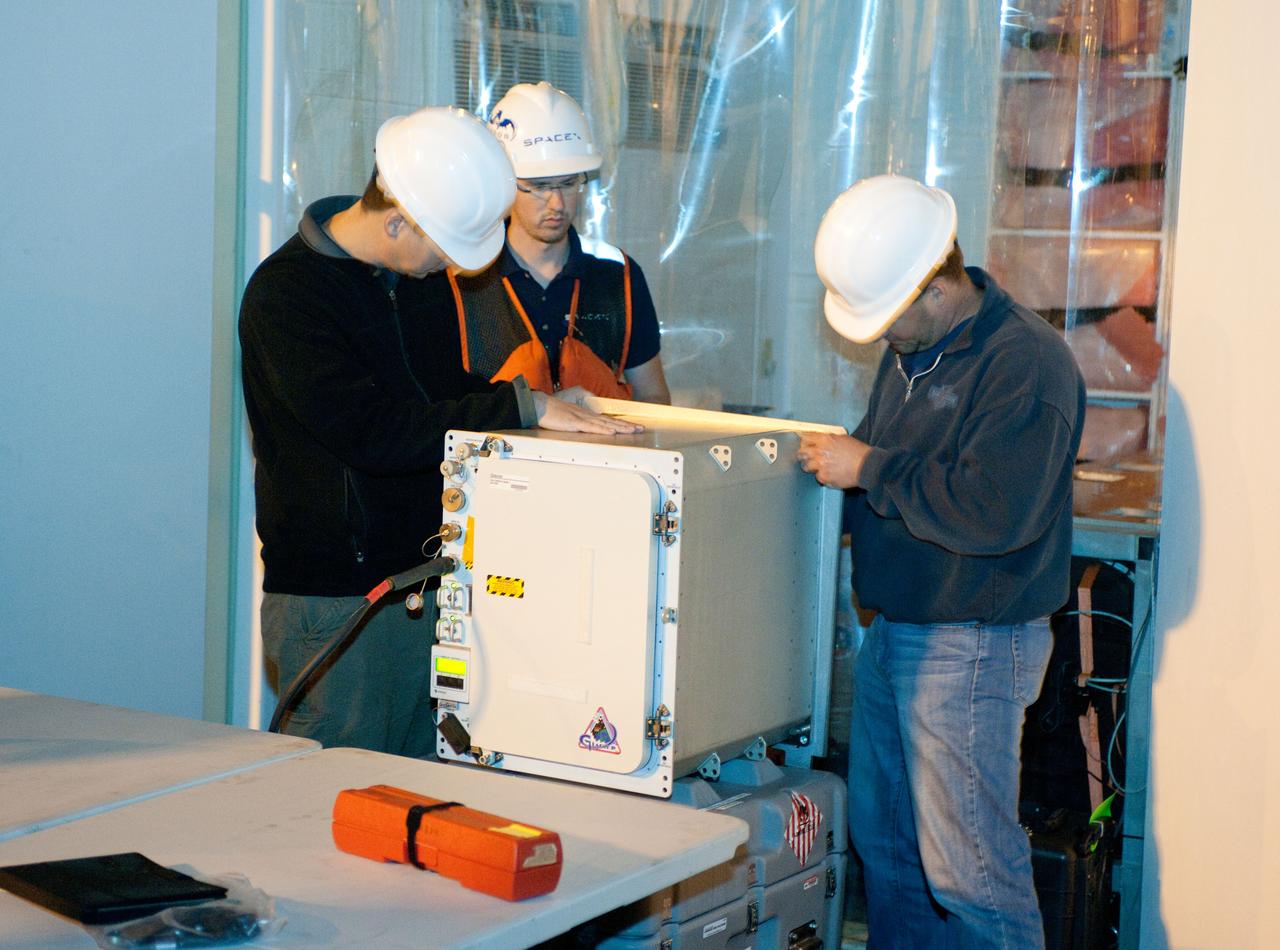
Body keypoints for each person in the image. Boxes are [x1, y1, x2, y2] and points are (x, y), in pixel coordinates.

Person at [239, 106, 638, 757]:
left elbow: (439, 393)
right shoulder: (288, 298)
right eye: (442, 248)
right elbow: (372, 433)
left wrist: (535, 400)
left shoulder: (409, 278)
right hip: (340, 603)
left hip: (427, 587)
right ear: (396, 217)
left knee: (432, 803)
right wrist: (518, 409)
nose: (445, 267)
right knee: (335, 802)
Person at [796, 175, 1086, 949]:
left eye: (889, 316)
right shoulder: (915, 350)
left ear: (934, 284)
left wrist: (871, 470)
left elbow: (997, 511)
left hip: (973, 643)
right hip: (901, 633)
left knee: (972, 875)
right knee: (889, 855)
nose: (882, 336)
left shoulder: (1025, 361)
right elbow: (885, 472)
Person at [448, 81, 671, 404]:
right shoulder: (463, 277)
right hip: (497, 453)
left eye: (568, 183)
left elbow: (653, 396)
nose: (556, 203)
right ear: (505, 183)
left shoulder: (617, 274)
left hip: (600, 453)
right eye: (539, 186)